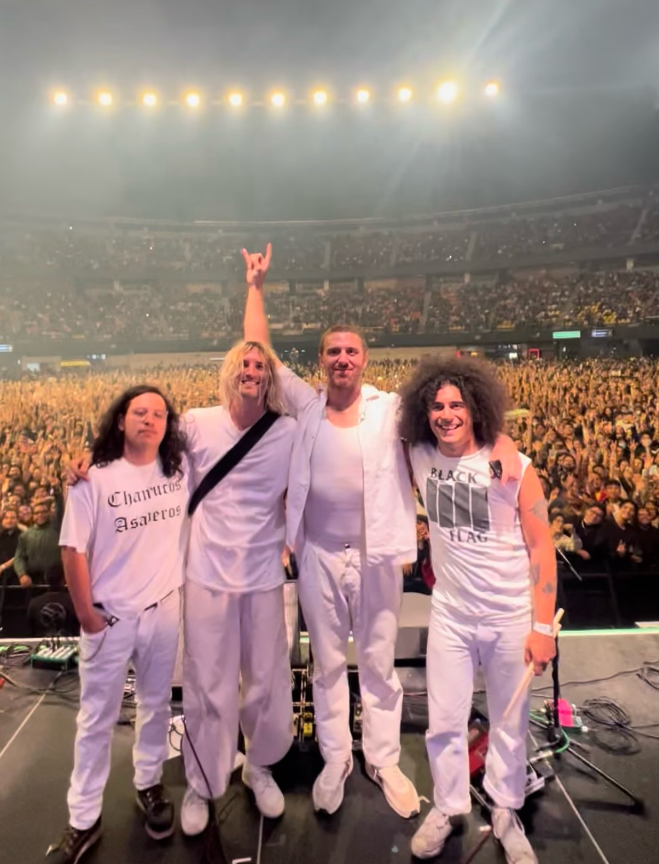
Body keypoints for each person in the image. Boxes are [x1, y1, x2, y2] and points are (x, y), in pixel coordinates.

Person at [243, 245, 521, 821]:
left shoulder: (391, 409)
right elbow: (260, 354)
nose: (342, 359)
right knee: (326, 665)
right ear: (321, 360)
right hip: (318, 555)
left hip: (376, 557)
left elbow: (453, 417)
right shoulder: (305, 405)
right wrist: (255, 288)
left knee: (377, 664)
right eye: (333, 351)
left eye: (351, 351)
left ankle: (383, 759)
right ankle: (335, 758)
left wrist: (503, 441)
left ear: (365, 360)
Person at [399, 356, 557, 864]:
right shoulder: (418, 453)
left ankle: (506, 811)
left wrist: (542, 626)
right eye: (436, 406)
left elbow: (542, 547)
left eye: (457, 405)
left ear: (476, 408)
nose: (446, 415)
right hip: (451, 614)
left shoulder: (515, 466)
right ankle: (448, 807)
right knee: (444, 721)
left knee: (510, 725)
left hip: (510, 616)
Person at [46, 385, 187, 864]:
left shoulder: (179, 470)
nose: (150, 420)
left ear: (168, 425)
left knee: (156, 705)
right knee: (96, 720)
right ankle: (83, 818)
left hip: (163, 609)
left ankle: (149, 783)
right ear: (121, 420)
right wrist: (86, 615)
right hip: (109, 618)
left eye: (159, 414)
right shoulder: (93, 478)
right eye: (140, 412)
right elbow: (72, 551)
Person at [179, 339, 296, 836]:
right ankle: (203, 780)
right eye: (244, 363)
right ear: (230, 371)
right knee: (208, 684)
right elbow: (149, 461)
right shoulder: (195, 423)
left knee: (267, 680)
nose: (251, 370)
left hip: (263, 575)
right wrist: (89, 463)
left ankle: (259, 765)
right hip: (207, 575)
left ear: (270, 377)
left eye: (260, 365)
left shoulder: (288, 431)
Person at [14, 500, 61, 587]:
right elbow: (19, 558)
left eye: (43, 512)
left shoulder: (59, 530)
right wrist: (22, 574)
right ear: (32, 516)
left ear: (49, 513)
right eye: (37, 513)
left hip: (58, 580)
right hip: (33, 581)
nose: (40, 515)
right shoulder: (25, 535)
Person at [28, 561, 80, 637]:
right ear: (64, 579)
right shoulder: (74, 602)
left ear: (45, 578)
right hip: (70, 642)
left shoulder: (34, 603)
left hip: (41, 642)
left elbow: (31, 632)